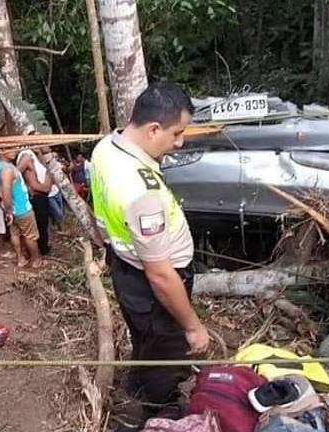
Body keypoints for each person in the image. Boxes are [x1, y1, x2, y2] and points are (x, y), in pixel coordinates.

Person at [91, 83, 210, 428]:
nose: (180, 142)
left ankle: (138, 380)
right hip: (152, 282)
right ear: (153, 128)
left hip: (125, 267)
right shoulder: (139, 191)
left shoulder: (106, 147)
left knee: (143, 335)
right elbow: (160, 275)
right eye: (176, 133)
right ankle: (160, 409)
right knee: (165, 347)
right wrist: (193, 327)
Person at [0, 147, 41, 268]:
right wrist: (9, 210)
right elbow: (6, 191)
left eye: (15, 147)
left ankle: (20, 259)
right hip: (21, 208)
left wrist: (7, 208)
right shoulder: (7, 170)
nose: (14, 151)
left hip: (11, 208)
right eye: (10, 148)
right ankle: (35, 260)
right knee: (30, 236)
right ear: (0, 149)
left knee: (15, 233)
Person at [17, 147, 55, 255]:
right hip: (38, 196)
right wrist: (46, 187)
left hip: (41, 196)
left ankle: (41, 248)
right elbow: (33, 185)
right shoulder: (26, 156)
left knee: (42, 224)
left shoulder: (35, 155)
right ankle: (40, 250)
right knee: (39, 225)